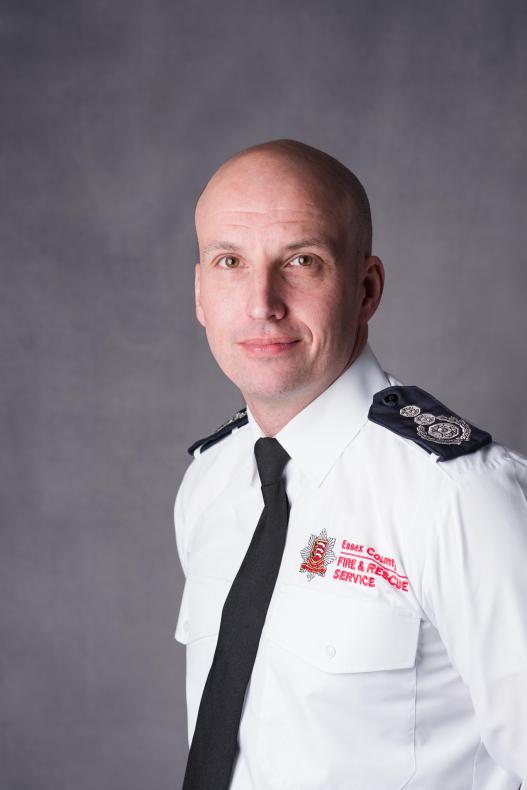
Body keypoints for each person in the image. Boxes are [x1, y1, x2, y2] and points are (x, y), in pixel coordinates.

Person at [173, 139, 527, 789]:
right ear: (200, 292)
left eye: (301, 261)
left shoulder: (459, 497)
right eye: (229, 261)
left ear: (365, 288)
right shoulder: (211, 481)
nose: (261, 303)